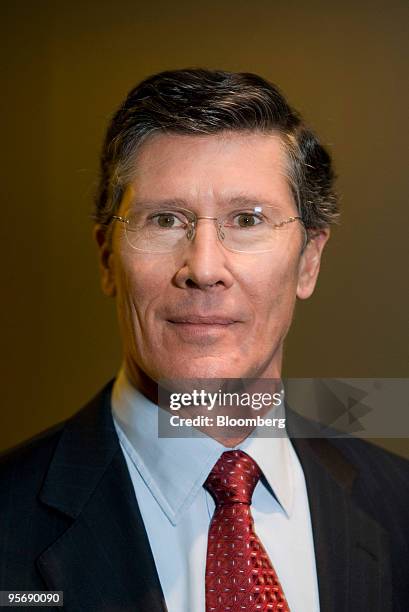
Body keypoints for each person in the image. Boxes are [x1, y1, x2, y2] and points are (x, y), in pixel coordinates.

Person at [0, 69, 408, 612]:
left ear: (309, 261)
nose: (205, 268)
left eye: (247, 219)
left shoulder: (399, 506)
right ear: (107, 257)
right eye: (164, 219)